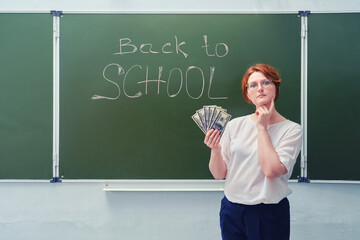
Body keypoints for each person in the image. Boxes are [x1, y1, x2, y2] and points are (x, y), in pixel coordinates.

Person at [204, 63, 302, 240]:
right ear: (248, 94)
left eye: (266, 83)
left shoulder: (292, 130)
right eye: (253, 85)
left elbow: (271, 171)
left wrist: (262, 128)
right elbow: (219, 174)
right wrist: (215, 150)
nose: (260, 89)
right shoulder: (235, 125)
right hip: (232, 210)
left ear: (276, 88)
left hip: (269, 214)